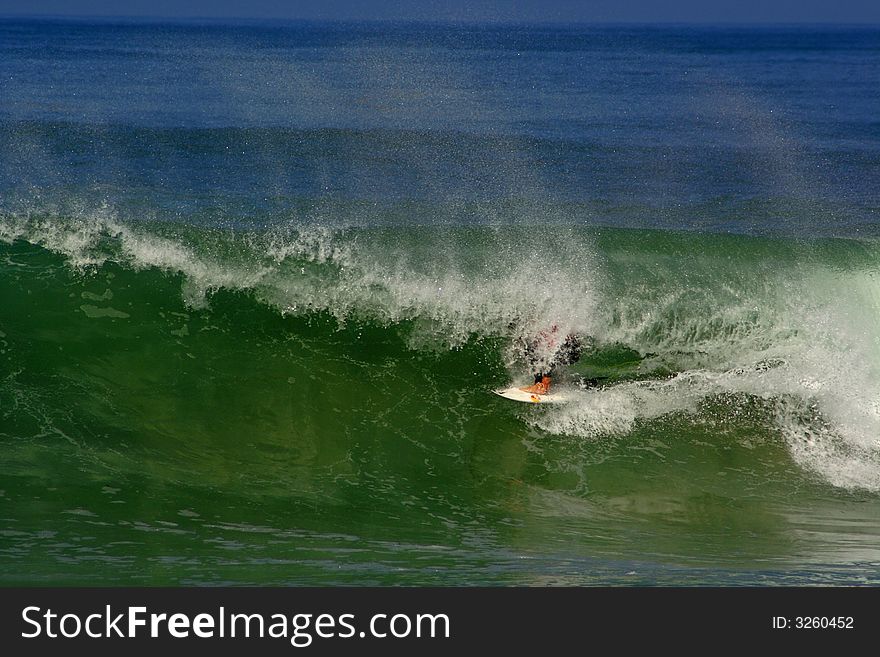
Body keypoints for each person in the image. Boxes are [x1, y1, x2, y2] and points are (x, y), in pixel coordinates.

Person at [519, 325, 582, 395]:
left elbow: (551, 350)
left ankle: (542, 385)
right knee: (537, 348)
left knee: (536, 349)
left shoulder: (551, 324)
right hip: (572, 352)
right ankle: (540, 383)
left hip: (570, 353)